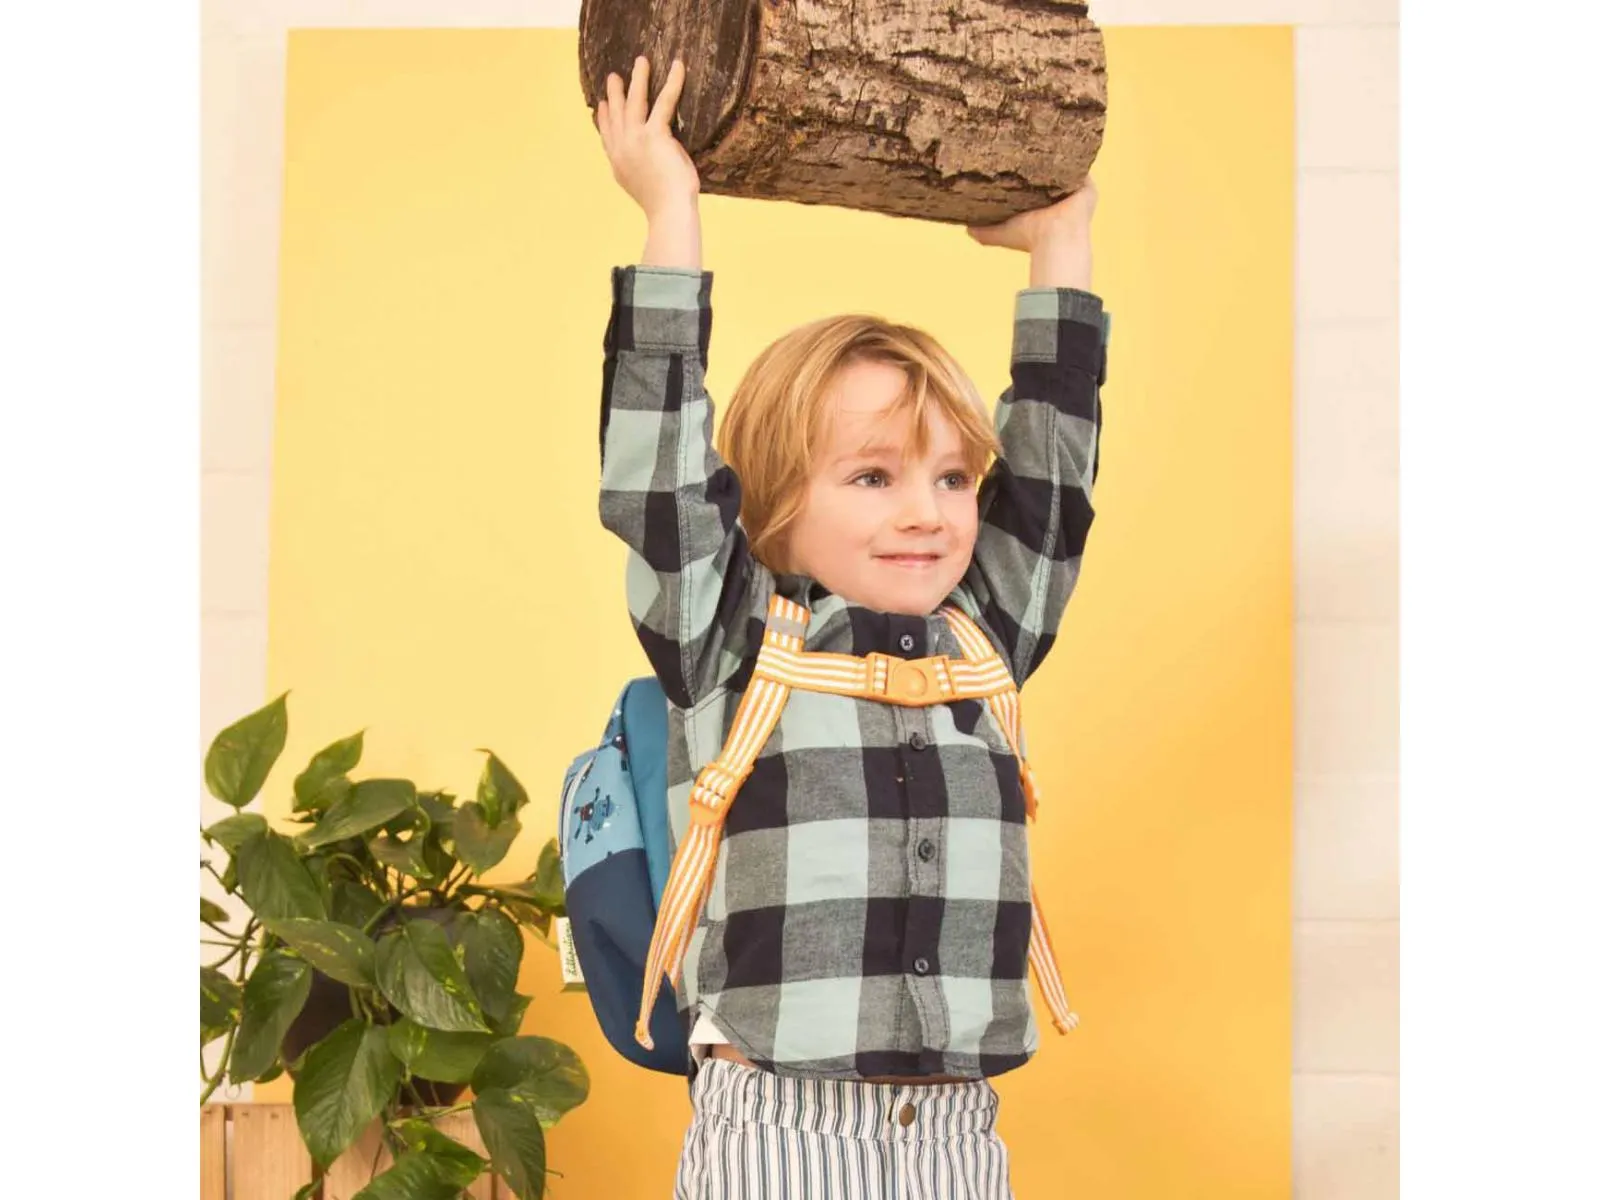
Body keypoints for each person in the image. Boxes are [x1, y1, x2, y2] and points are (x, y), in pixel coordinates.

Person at [593, 53, 1109, 1200]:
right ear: (776, 496)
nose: (926, 513)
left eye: (949, 478)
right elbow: (657, 478)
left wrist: (1058, 247)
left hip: (956, 1125)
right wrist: (669, 208)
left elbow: (1055, 478)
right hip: (778, 1112)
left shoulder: (985, 639)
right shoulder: (730, 638)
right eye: (871, 478)